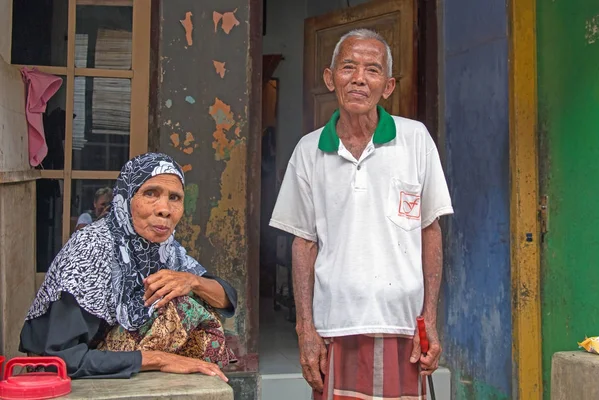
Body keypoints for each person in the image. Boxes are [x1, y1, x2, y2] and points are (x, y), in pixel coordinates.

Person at [270, 29, 453, 399]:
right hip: (335, 324)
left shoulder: (415, 139)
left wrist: (429, 318)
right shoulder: (308, 151)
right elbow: (303, 243)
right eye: (348, 67)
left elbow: (429, 230)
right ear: (329, 78)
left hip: (403, 324)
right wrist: (305, 328)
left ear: (387, 86)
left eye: (372, 70)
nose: (358, 78)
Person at [20, 153, 237, 380]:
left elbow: (227, 299)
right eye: (150, 193)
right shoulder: (93, 246)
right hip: (59, 370)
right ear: (125, 197)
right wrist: (161, 359)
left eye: (174, 197)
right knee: (175, 307)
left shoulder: (163, 248)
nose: (164, 209)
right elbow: (61, 359)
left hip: (107, 358)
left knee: (188, 297)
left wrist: (192, 280)